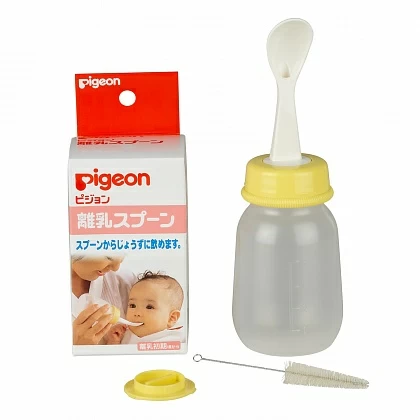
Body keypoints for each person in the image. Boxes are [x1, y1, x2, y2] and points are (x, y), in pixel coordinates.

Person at [71, 254, 137, 345]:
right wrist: (78, 347)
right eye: (109, 257)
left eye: (123, 255)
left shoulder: (126, 281)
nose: (116, 268)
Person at [105, 271, 184, 344]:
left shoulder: (175, 338)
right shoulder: (124, 334)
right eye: (133, 306)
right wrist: (113, 341)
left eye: (149, 307)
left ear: (171, 318)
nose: (137, 313)